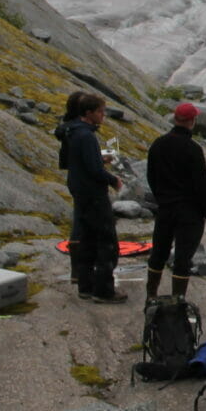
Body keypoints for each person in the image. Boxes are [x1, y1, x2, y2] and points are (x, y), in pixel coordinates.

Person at [54, 90, 124, 303]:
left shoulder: (70, 132)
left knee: (86, 239)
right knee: (106, 241)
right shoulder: (86, 135)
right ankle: (104, 291)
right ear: (89, 112)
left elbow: (68, 162)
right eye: (100, 111)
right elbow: (94, 170)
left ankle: (85, 286)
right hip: (93, 194)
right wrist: (113, 180)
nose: (103, 115)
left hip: (79, 190)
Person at [144, 101, 206, 305]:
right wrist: (203, 211)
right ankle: (177, 300)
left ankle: (151, 296)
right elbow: (201, 184)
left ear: (175, 119)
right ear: (192, 121)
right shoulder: (193, 149)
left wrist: (161, 198)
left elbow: (151, 176)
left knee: (159, 253)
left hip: (165, 208)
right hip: (189, 211)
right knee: (183, 258)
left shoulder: (158, 143)